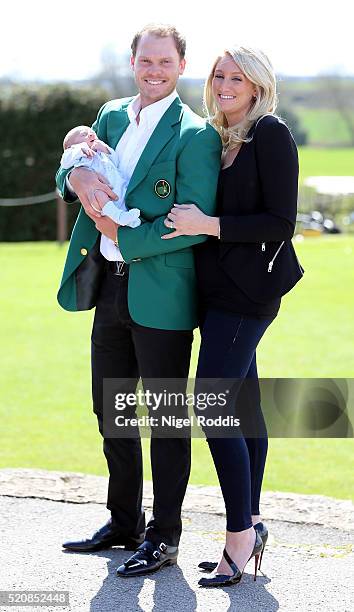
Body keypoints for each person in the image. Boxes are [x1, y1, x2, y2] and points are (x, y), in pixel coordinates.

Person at [55, 24, 222, 578]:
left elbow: (193, 225)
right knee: (112, 410)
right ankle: (123, 521)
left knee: (167, 419)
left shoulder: (195, 135)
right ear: (133, 62)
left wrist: (124, 235)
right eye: (145, 60)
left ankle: (164, 535)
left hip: (164, 291)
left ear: (180, 66)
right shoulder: (109, 115)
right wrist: (78, 175)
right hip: (108, 284)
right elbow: (71, 164)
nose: (154, 70)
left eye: (164, 62)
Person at [163, 45, 303, 588]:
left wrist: (208, 223)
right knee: (242, 404)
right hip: (215, 292)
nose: (225, 84)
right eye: (219, 75)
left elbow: (280, 221)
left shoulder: (270, 133)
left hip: (250, 294)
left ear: (258, 84)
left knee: (213, 402)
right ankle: (256, 523)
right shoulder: (215, 137)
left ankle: (238, 535)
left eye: (237, 77)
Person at [60, 125, 141, 263]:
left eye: (91, 133)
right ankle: (120, 217)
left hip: (117, 189)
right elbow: (65, 162)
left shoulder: (100, 152)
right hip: (99, 193)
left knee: (121, 203)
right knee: (100, 196)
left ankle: (126, 226)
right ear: (71, 145)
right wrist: (79, 150)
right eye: (84, 134)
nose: (90, 134)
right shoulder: (76, 153)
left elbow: (116, 160)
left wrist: (105, 149)